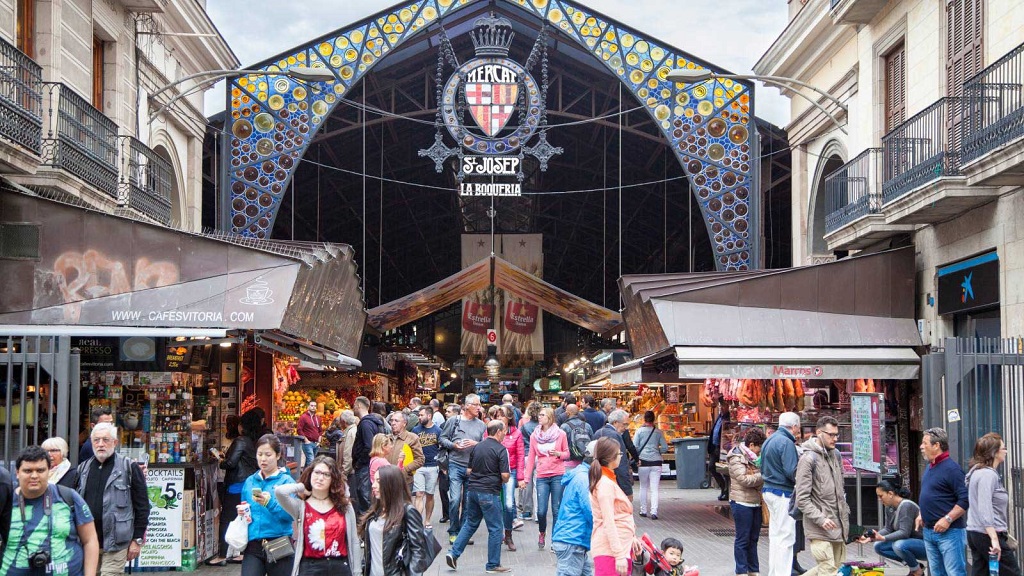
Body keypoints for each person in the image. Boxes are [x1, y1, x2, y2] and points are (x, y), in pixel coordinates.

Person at [2, 446, 99, 576]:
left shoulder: (68, 496)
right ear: (17, 472)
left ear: (49, 471)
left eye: (40, 470)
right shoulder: (5, 500)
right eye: (28, 470)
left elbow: (90, 539)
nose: (34, 475)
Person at [75, 422, 149, 576]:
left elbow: (142, 506)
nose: (100, 444)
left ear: (115, 442)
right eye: (96, 440)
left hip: (117, 543)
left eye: (105, 440)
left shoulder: (129, 467)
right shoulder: (82, 469)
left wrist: (137, 539)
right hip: (88, 543)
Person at [275, 455, 361, 576]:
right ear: (310, 474)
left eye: (326, 474)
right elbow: (280, 492)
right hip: (310, 568)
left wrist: (357, 572)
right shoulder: (301, 507)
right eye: (317, 472)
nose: (320, 478)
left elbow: (354, 541)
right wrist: (301, 487)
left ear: (333, 479)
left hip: (340, 566)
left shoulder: (344, 506)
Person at [446, 419, 512, 573]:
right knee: (496, 528)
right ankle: (493, 564)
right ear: (497, 432)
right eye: (503, 431)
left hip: (473, 490)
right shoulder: (501, 450)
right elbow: (505, 475)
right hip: (489, 492)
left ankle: (453, 553)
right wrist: (501, 477)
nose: (505, 434)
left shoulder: (477, 447)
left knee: (470, 523)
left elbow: (468, 471)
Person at [794, 416, 849, 576]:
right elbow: (802, 499)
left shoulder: (836, 455)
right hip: (819, 526)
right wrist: (820, 519)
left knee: (834, 569)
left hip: (838, 525)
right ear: (819, 433)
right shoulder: (808, 458)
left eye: (836, 435)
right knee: (828, 569)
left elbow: (840, 490)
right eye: (831, 434)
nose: (835, 438)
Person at [241, 434, 298, 576]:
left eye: (268, 454)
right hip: (253, 544)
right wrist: (243, 512)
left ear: (278, 455)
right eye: (259, 454)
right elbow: (244, 505)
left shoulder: (287, 482)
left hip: (279, 542)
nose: (263, 459)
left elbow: (291, 515)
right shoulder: (250, 481)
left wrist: (270, 503)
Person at [915, 427, 969, 576]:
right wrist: (921, 513)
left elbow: (965, 499)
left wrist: (948, 519)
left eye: (924, 443)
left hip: (950, 532)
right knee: (937, 573)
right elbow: (929, 495)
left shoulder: (952, 469)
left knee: (954, 572)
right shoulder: (929, 468)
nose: (921, 447)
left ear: (936, 445)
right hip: (929, 531)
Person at [358, 464, 430, 576]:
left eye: (379, 481)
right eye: (374, 480)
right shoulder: (375, 511)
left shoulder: (407, 511)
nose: (373, 485)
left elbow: (418, 551)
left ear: (391, 484)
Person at [210, 410, 261, 565]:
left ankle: (222, 555)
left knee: (227, 518)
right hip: (248, 484)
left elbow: (231, 463)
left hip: (237, 485)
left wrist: (220, 461)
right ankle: (241, 553)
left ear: (242, 426)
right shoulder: (252, 441)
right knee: (245, 518)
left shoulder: (240, 441)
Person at [966, 432, 1019, 576]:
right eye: (1004, 448)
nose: (1006, 451)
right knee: (1012, 572)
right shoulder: (987, 475)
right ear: (994, 452)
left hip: (976, 532)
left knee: (981, 572)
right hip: (987, 533)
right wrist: (994, 539)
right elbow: (984, 507)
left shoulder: (977, 472)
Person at [439, 393, 487, 544]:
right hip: (455, 464)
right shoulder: (454, 421)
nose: (479, 408)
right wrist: (454, 445)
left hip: (472, 468)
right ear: (466, 406)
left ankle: (463, 533)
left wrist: (475, 444)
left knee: (468, 502)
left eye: (479, 405)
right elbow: (442, 438)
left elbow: (486, 445)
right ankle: (453, 530)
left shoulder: (481, 425)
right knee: (454, 499)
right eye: (476, 405)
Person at [589, 437, 639, 576]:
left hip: (619, 546)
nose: (621, 457)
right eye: (620, 454)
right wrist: (619, 555)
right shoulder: (605, 484)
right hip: (611, 550)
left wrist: (632, 538)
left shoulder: (608, 479)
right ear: (611, 457)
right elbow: (608, 521)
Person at [522, 406, 569, 549]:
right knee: (541, 511)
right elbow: (531, 458)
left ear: (550, 417)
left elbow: (567, 453)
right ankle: (542, 532)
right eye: (539, 415)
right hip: (542, 474)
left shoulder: (560, 434)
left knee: (556, 509)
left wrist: (559, 454)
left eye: (542, 415)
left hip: (557, 474)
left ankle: (555, 539)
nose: (539, 417)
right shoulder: (535, 435)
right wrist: (526, 478)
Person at [856, 479, 925, 576]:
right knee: (878, 546)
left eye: (881, 496)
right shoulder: (889, 507)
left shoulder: (906, 506)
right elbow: (888, 529)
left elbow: (904, 533)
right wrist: (870, 537)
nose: (879, 500)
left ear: (890, 493)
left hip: (924, 544)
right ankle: (916, 566)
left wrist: (883, 538)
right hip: (908, 543)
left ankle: (917, 572)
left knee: (898, 545)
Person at [761, 412, 801, 576]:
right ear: (794, 426)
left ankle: (774, 572)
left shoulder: (770, 439)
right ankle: (782, 573)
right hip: (782, 493)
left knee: (776, 536)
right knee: (786, 536)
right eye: (798, 427)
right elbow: (792, 471)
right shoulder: (786, 442)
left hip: (769, 490)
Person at [551, 440, 596, 576]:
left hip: (574, 540)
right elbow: (590, 510)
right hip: (572, 541)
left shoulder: (581, 474)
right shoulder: (584, 479)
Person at [728, 427, 765, 576]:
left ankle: (753, 570)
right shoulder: (736, 457)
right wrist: (762, 476)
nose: (759, 452)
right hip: (741, 502)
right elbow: (743, 479)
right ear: (751, 445)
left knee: (754, 538)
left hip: (755, 502)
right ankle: (741, 570)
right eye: (758, 449)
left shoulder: (753, 459)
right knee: (743, 539)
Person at [489, 404, 524, 549]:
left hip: (511, 471)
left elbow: (521, 455)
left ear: (509, 417)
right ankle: (498, 534)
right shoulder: (490, 431)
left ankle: (508, 535)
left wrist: (521, 477)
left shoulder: (516, 433)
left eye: (501, 415)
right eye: (497, 416)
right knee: (495, 505)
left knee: (508, 505)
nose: (499, 418)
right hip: (493, 472)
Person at [353, 396, 388, 515]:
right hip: (373, 463)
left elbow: (368, 446)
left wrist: (359, 462)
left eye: (354, 405)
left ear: (358, 406)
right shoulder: (376, 422)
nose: (353, 408)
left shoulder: (365, 424)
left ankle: (367, 525)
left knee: (365, 497)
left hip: (365, 466)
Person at [633, 410, 668, 519]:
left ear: (644, 419)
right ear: (654, 419)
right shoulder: (658, 432)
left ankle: (643, 510)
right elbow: (665, 447)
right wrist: (658, 452)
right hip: (656, 462)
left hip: (643, 461)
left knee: (643, 487)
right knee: (654, 488)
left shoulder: (639, 431)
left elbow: (634, 446)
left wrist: (640, 453)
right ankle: (654, 512)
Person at [412, 406, 442, 528]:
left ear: (429, 416)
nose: (419, 417)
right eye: (419, 415)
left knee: (430, 494)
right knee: (419, 494)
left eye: (421, 415)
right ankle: (417, 522)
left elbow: (441, 447)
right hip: (419, 466)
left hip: (433, 466)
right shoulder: (415, 430)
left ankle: (428, 519)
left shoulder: (438, 431)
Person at [593, 409, 634, 498]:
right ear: (615, 423)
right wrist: (627, 490)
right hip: (613, 480)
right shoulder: (615, 436)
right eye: (624, 424)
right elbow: (621, 465)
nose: (626, 428)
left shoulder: (598, 432)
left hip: (598, 480)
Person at [387, 411, 425, 489]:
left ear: (404, 423)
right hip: (387, 479)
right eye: (391, 420)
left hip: (404, 481)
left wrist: (404, 470)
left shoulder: (412, 438)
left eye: (396, 421)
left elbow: (420, 459)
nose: (393, 423)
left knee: (403, 501)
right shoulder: (386, 438)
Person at [517, 401, 540, 522]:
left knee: (527, 485)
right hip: (540, 457)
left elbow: (520, 442)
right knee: (538, 485)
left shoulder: (524, 427)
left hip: (527, 456)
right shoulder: (542, 427)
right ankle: (538, 513)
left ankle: (527, 511)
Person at [560, 404, 594, 471]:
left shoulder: (564, 427)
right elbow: (592, 442)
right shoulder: (587, 426)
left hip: (568, 464)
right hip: (584, 463)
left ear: (567, 413)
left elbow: (560, 446)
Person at [710, 402, 730, 501]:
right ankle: (723, 488)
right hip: (715, 447)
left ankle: (726, 491)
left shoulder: (728, 417)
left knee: (725, 470)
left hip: (724, 447)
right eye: (720, 405)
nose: (721, 408)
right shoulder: (719, 417)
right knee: (712, 467)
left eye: (723, 406)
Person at [297, 401, 323, 470]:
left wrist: (320, 439)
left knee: (309, 462)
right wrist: (306, 440)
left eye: (315, 406)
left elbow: (320, 430)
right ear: (308, 407)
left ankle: (304, 476)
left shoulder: (318, 418)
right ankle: (309, 478)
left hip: (316, 443)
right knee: (311, 461)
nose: (313, 407)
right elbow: (299, 429)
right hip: (308, 443)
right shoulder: (303, 417)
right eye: (311, 405)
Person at [339, 410, 359, 479]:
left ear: (344, 422)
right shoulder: (353, 430)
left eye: (340, 421)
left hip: (350, 473)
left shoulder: (350, 433)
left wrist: (344, 472)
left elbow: (348, 453)